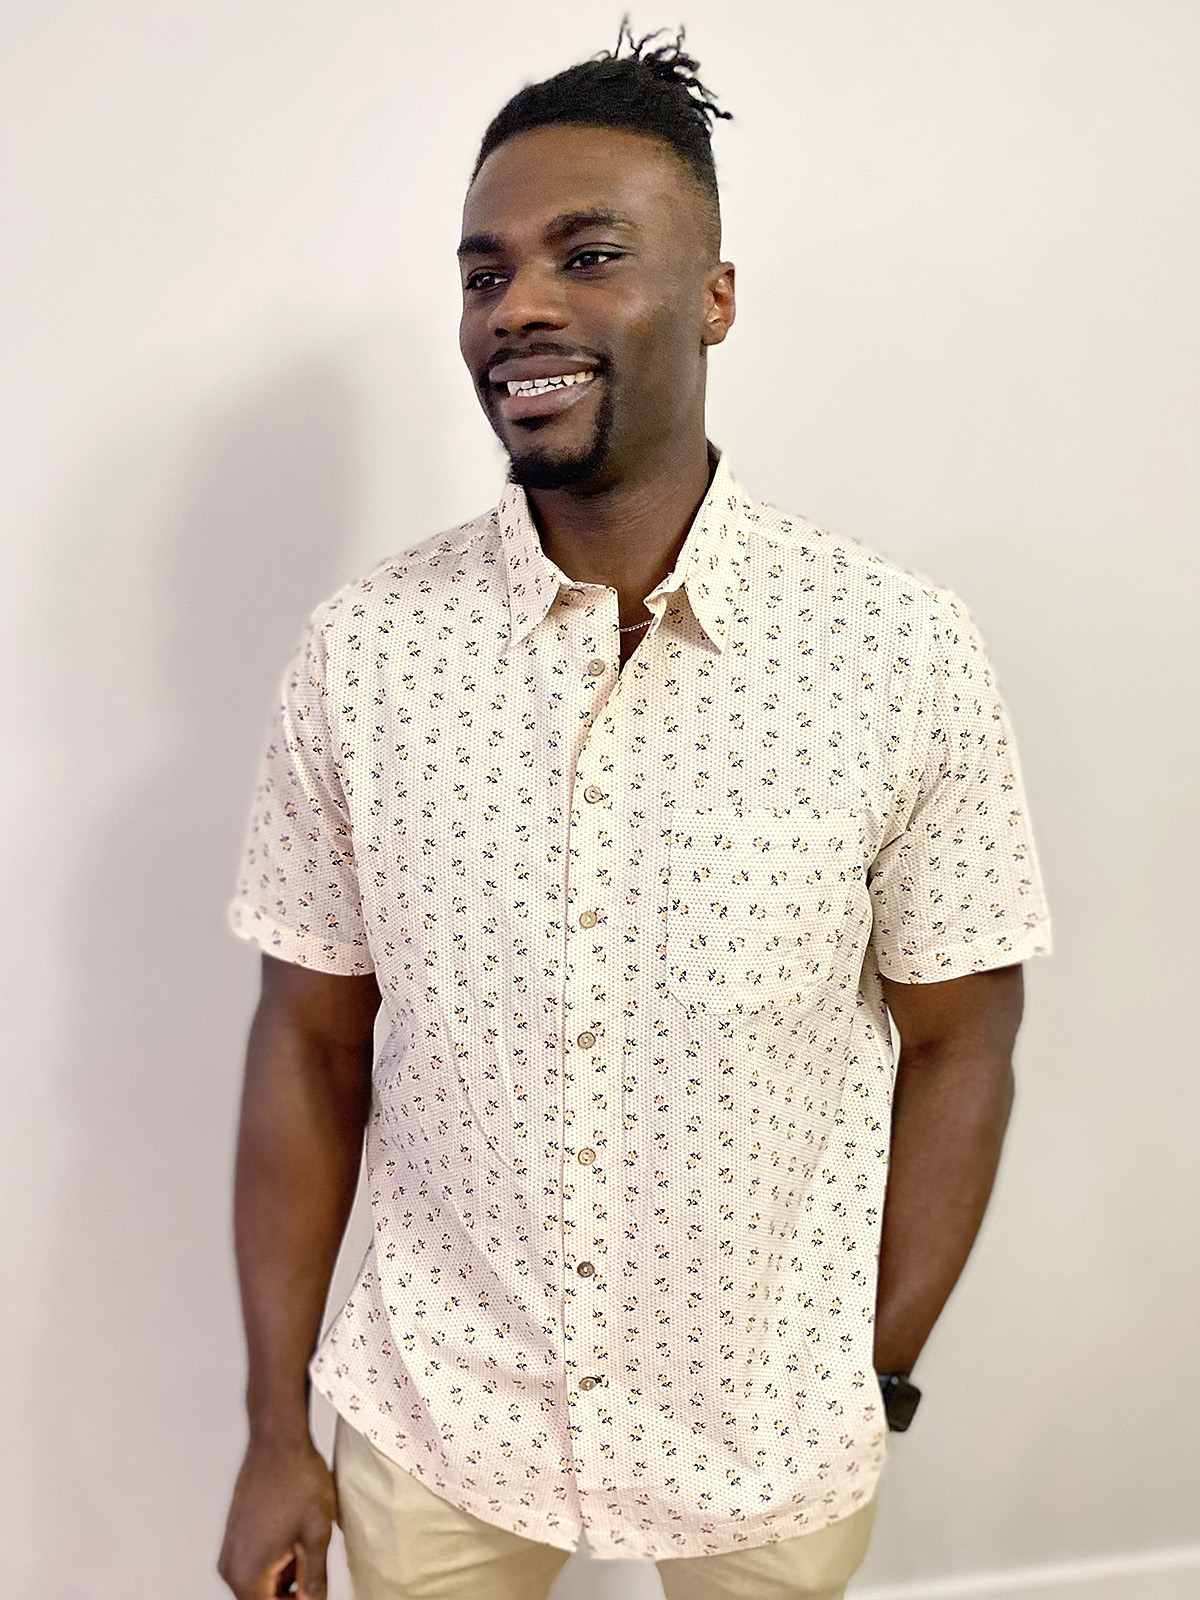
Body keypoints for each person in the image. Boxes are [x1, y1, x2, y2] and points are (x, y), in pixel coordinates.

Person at [218, 24, 1051, 1600]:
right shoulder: (364, 654)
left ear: (717, 296)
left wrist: (871, 1374)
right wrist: (275, 1430)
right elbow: (308, 1046)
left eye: (587, 256)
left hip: (768, 1442)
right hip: (437, 1419)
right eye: (484, 273)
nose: (518, 306)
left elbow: (964, 1038)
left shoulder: (897, 652)